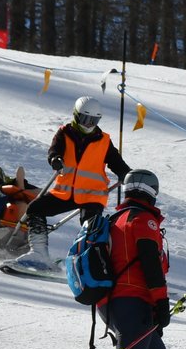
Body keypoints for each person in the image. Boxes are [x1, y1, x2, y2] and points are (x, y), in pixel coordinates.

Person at [87, 170, 174, 349]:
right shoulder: (143, 220)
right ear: (152, 192)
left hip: (116, 302)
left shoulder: (117, 218)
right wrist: (161, 301)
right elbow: (150, 263)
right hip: (131, 301)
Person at [16, 96, 132, 266]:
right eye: (85, 119)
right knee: (35, 208)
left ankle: (92, 262)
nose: (89, 124)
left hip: (92, 195)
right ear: (76, 116)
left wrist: (125, 173)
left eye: (94, 120)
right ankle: (39, 252)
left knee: (90, 226)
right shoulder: (64, 133)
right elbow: (54, 150)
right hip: (65, 193)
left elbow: (116, 162)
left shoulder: (103, 140)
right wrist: (55, 159)